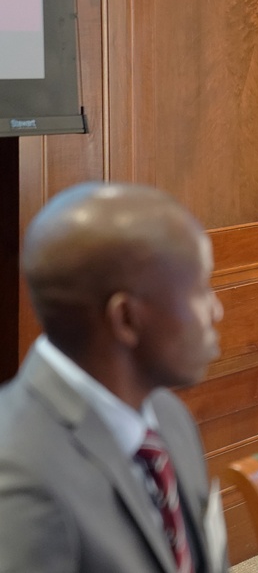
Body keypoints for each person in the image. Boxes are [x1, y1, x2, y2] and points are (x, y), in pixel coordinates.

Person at [0, 182, 228, 573]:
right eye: (200, 290)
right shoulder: (21, 480)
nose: (216, 311)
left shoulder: (168, 415)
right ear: (126, 319)